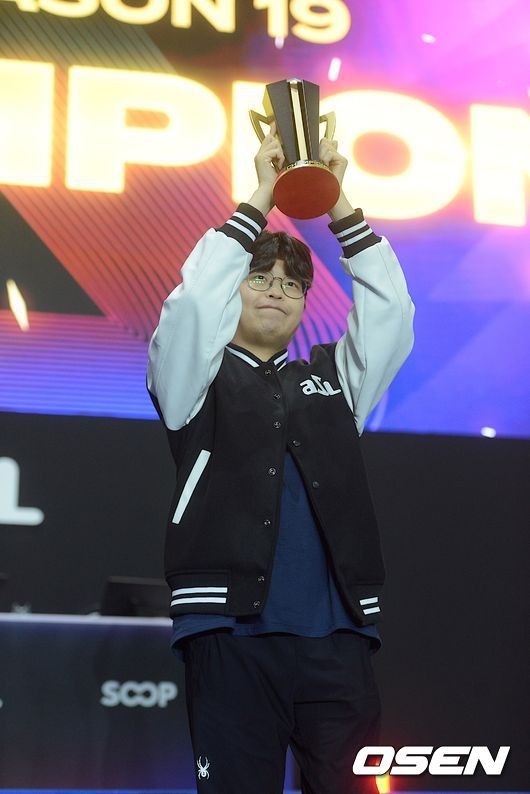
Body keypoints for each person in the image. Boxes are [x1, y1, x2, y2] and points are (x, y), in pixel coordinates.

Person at [147, 121, 415, 793]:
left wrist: (335, 198)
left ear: (303, 306)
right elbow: (192, 306)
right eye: (259, 277)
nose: (276, 290)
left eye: (293, 285)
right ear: (233, 288)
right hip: (230, 635)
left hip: (339, 641)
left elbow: (392, 315)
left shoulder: (333, 379)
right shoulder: (193, 378)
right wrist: (263, 193)